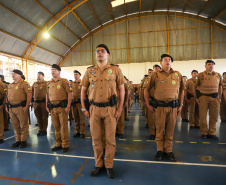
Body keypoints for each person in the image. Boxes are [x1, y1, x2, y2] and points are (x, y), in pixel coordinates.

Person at [81, 44, 125, 178]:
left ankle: (109, 165)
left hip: (110, 109)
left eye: (102, 51)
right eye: (97, 51)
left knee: (110, 139)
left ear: (108, 55)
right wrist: (84, 108)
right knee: (96, 138)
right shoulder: (89, 71)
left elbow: (122, 90)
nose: (99, 53)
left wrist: (120, 108)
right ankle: (99, 164)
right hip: (94, 109)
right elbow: (83, 90)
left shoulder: (115, 70)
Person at [144, 54, 184, 162]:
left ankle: (168, 150)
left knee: (170, 130)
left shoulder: (177, 74)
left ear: (171, 62)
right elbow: (146, 89)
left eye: (169, 60)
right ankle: (160, 150)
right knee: (160, 130)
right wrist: (148, 104)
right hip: (160, 107)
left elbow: (182, 90)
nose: (167, 61)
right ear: (161, 63)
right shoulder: (155, 75)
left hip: (173, 108)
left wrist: (181, 104)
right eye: (165, 60)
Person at [193, 60, 223, 140]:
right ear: (205, 66)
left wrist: (219, 97)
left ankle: (212, 133)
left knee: (214, 116)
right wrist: (196, 98)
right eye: (209, 64)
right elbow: (194, 87)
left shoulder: (218, 75)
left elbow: (220, 86)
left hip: (215, 98)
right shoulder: (200, 75)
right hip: (203, 98)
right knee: (202, 116)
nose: (211, 66)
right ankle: (204, 133)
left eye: (212, 64)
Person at [46, 64, 72, 152]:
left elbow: (70, 93)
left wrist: (68, 106)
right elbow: (47, 95)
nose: (53, 71)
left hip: (62, 108)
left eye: (54, 70)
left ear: (59, 71)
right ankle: (58, 143)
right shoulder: (49, 83)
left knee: (63, 127)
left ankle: (65, 144)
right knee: (56, 127)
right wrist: (47, 105)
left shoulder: (64, 81)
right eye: (51, 70)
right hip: (53, 108)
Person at [6, 69, 32, 148]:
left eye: (14, 74)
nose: (12, 75)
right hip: (12, 108)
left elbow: (29, 95)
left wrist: (27, 106)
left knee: (23, 125)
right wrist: (7, 106)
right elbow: (7, 96)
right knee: (15, 125)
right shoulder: (10, 85)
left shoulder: (24, 84)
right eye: (12, 73)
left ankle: (23, 141)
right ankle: (18, 140)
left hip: (21, 107)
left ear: (19, 75)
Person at [32, 72, 48, 136]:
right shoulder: (34, 84)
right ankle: (40, 129)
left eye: (39, 75)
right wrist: (32, 102)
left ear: (43, 76)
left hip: (43, 103)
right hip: (36, 102)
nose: (38, 76)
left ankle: (44, 130)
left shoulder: (46, 83)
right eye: (37, 75)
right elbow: (32, 92)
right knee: (38, 117)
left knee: (44, 117)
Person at [71, 70, 86, 138]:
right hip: (74, 103)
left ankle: (82, 132)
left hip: (81, 103)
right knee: (75, 118)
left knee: (82, 118)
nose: (75, 76)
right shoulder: (71, 84)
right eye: (74, 74)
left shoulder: (83, 83)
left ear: (80, 75)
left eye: (76, 74)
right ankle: (77, 131)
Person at [0, 79, 7, 143]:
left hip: (0, 104)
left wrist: (3, 104)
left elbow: (5, 94)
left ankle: (0, 137)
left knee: (0, 121)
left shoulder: (3, 85)